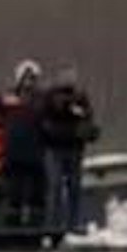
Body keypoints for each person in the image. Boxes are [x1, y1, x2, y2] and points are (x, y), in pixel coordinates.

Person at [39, 66, 98, 235]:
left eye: (71, 76)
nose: (69, 79)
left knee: (74, 187)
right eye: (65, 76)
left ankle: (73, 224)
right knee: (55, 186)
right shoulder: (50, 96)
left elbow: (88, 119)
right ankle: (53, 225)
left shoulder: (80, 97)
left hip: (74, 147)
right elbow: (45, 118)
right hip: (55, 147)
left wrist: (86, 132)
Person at [0, 61, 46, 228]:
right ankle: (12, 226)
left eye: (32, 79)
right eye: (26, 78)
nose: (29, 83)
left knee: (36, 193)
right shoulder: (8, 99)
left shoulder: (41, 100)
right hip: (13, 153)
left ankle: (35, 225)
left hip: (35, 152)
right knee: (14, 193)